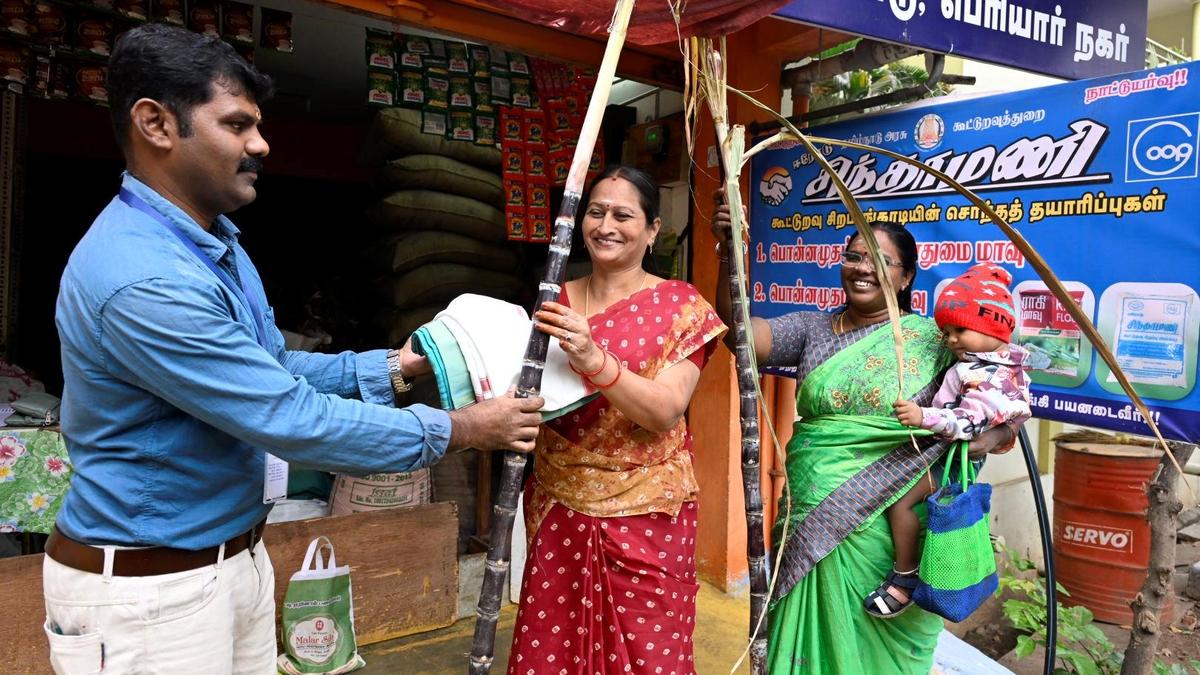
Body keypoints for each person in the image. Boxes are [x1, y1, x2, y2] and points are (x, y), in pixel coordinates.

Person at [44, 24, 543, 675]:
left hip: (229, 561)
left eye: (258, 125)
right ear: (156, 124)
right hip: (150, 597)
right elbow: (291, 419)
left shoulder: (214, 245)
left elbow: (270, 368)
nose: (260, 144)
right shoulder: (145, 278)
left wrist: (395, 367)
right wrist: (464, 428)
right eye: (237, 124)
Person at [711, 201, 1016, 674]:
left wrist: (993, 435)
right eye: (853, 256)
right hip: (811, 513)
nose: (862, 268)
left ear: (906, 277)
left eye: (880, 260)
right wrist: (730, 255)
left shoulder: (938, 341)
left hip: (895, 535)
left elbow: (1005, 395)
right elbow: (739, 334)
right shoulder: (813, 329)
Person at [506, 165, 726, 675]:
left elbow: (664, 410)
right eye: (596, 212)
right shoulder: (553, 300)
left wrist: (593, 359)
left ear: (652, 230)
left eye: (623, 216)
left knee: (647, 653)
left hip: (646, 515)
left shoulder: (681, 307)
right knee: (553, 645)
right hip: (559, 502)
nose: (606, 226)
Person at [867, 262, 1034, 618]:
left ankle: (905, 578)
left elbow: (968, 422)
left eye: (961, 329)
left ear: (994, 326)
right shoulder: (998, 365)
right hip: (949, 455)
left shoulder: (986, 375)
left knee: (901, 505)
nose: (951, 339)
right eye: (946, 332)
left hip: (950, 459)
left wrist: (922, 416)